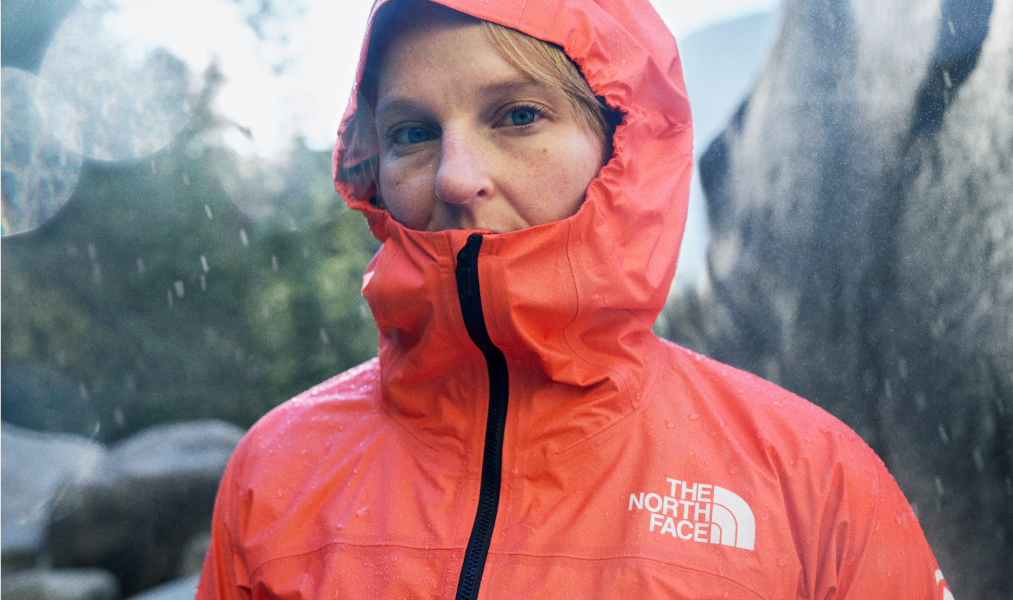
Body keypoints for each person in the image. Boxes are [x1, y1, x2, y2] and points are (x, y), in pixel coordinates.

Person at [196, 0, 954, 597]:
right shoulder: (277, 472)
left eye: (518, 115)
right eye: (412, 132)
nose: (456, 176)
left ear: (624, 147)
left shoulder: (810, 479)